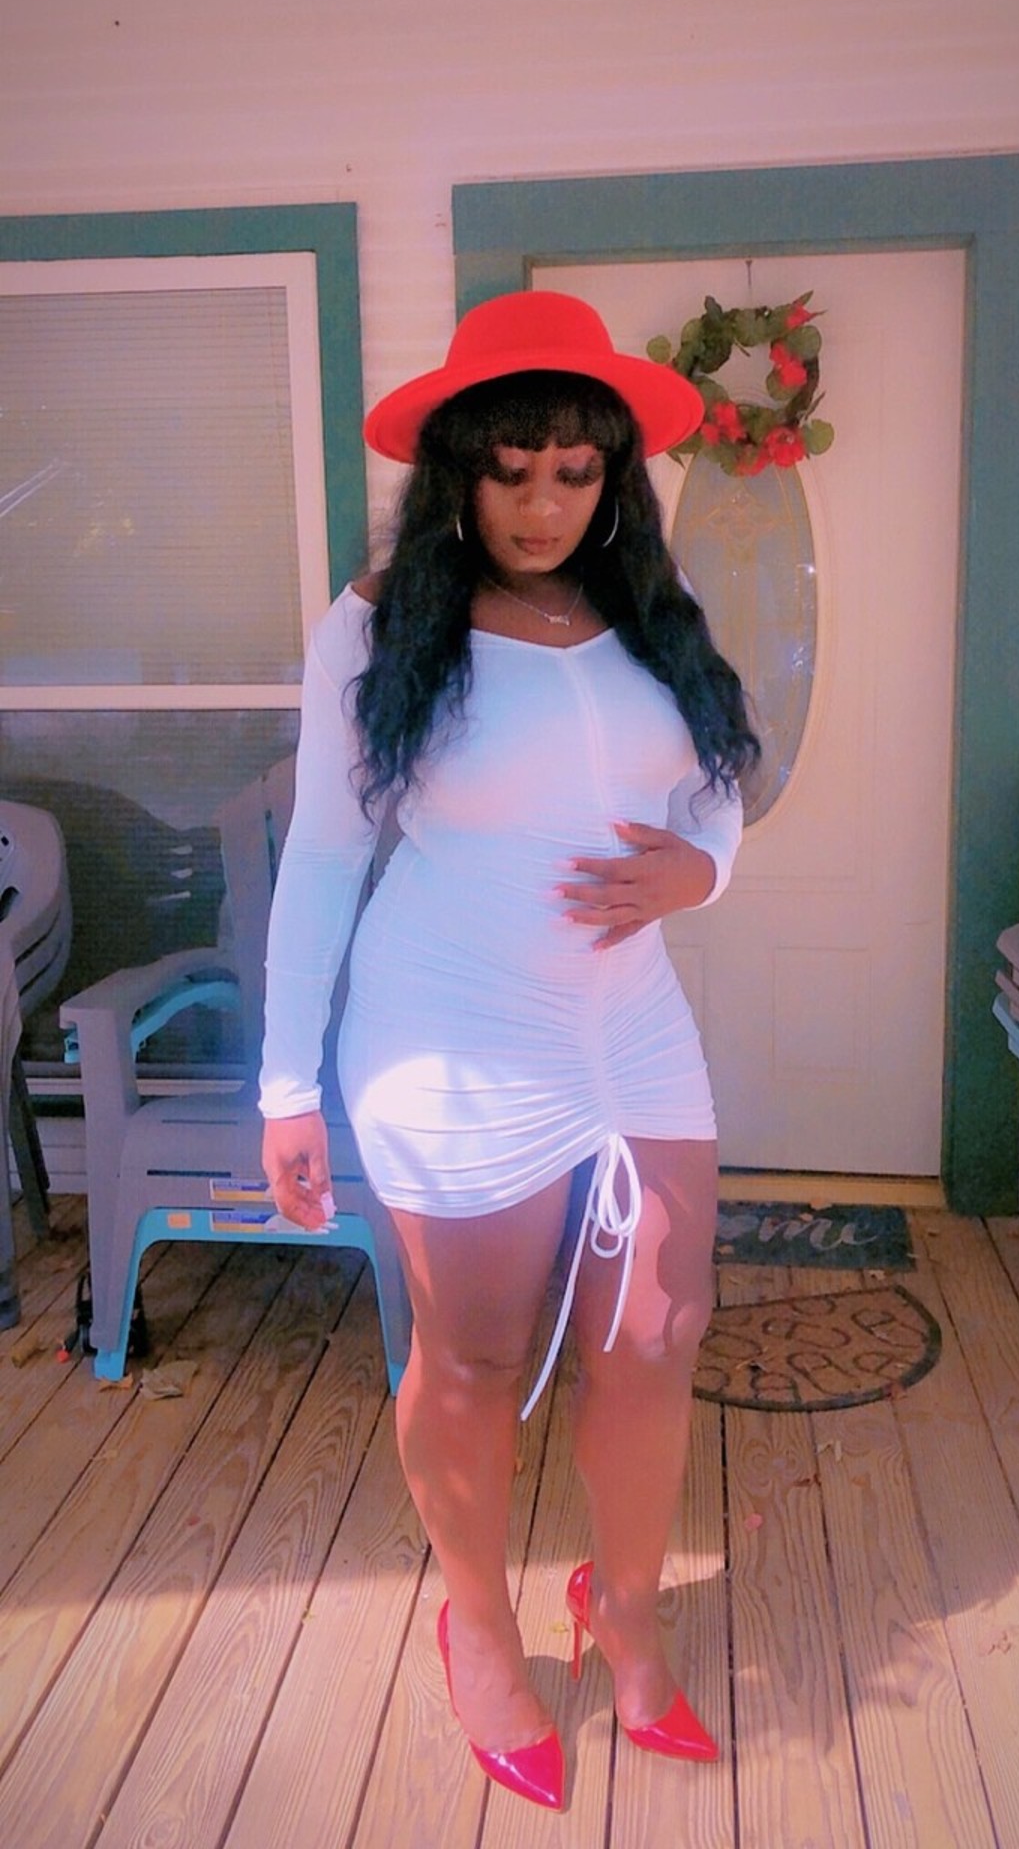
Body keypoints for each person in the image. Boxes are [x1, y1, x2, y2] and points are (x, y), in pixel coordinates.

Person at [259, 290, 759, 1812]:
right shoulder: (376, 623)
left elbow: (715, 781)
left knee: (659, 1331)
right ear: (456, 471)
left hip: (630, 1027)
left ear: (614, 475)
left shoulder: (654, 603)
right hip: (451, 1030)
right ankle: (476, 1622)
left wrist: (704, 871)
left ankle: (624, 1610)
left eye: (576, 472)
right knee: (472, 1357)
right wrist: (285, 1082)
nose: (545, 506)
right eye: (512, 470)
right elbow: (324, 851)